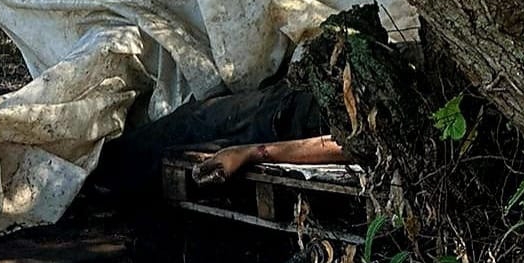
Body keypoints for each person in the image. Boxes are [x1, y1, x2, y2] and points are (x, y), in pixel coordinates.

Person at [92, 77, 349, 196]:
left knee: (187, 131)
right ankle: (99, 168)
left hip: (279, 123)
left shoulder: (381, 126)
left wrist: (251, 152)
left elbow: (345, 145)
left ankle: (95, 171)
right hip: (285, 102)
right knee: (191, 118)